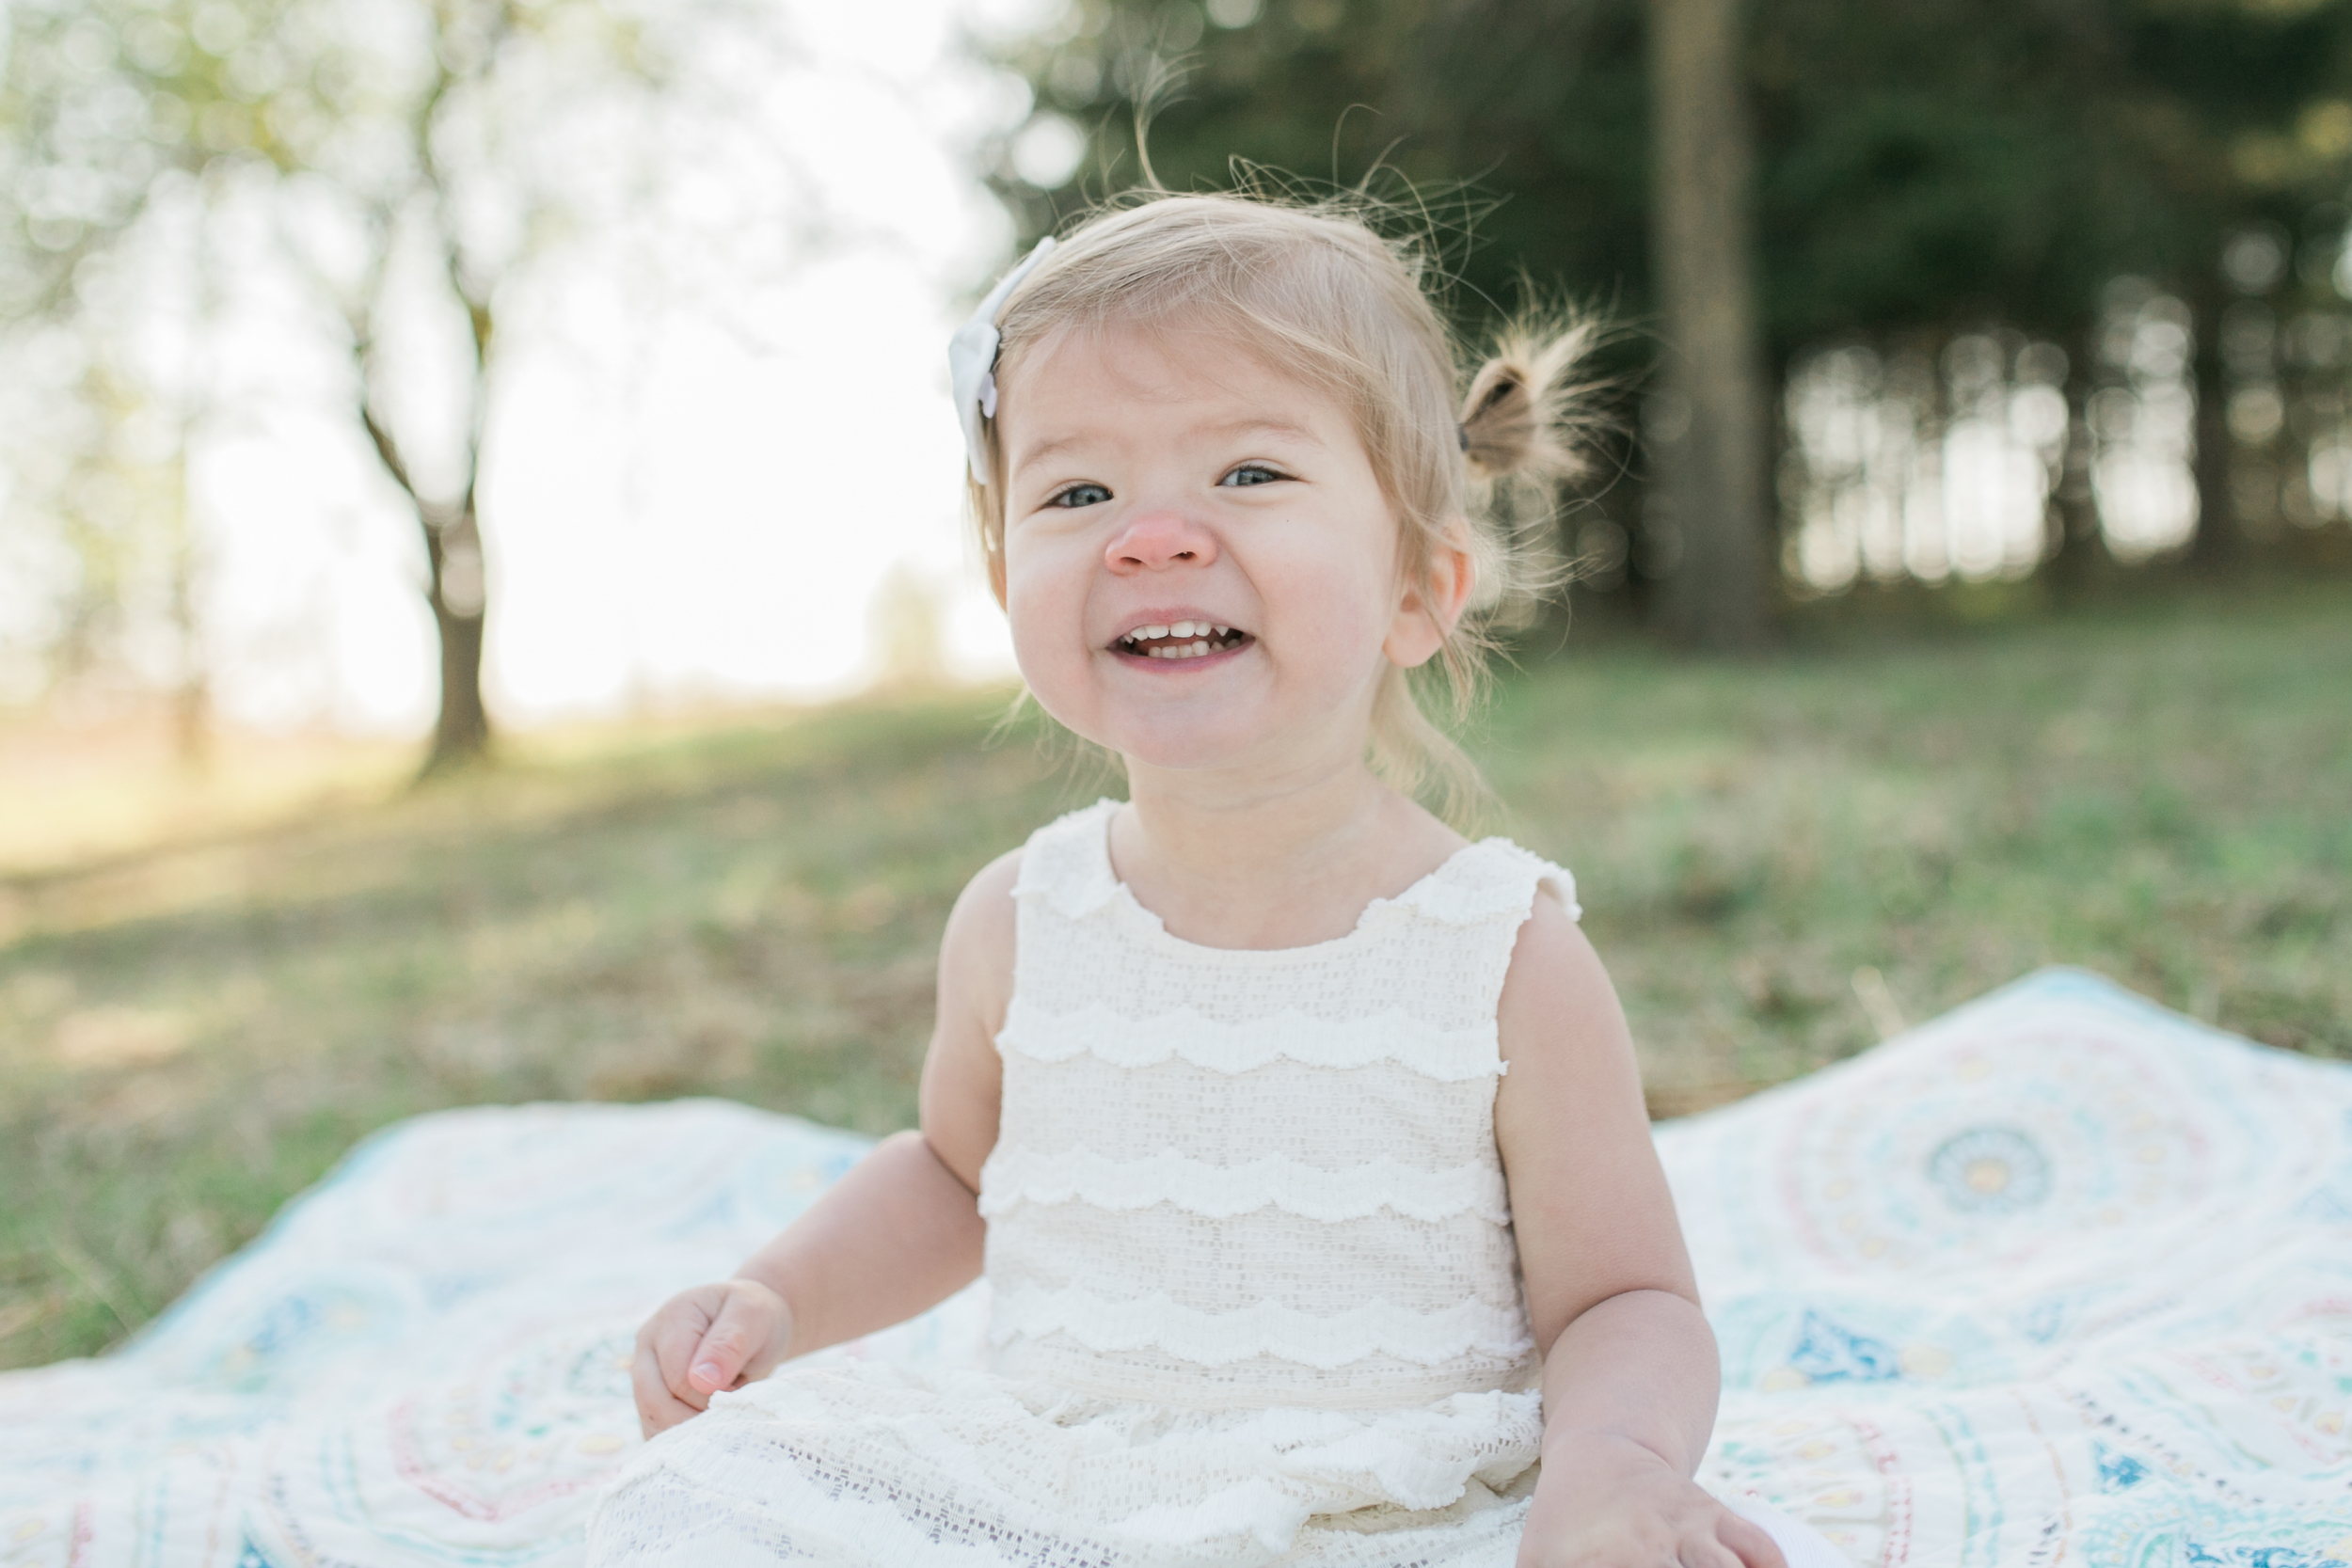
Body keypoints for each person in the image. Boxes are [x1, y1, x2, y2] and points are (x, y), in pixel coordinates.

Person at [587, 193, 1842, 1568]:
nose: (1153, 536)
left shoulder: (1499, 955)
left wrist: (1607, 1470)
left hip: (1392, 1506)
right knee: (710, 1492)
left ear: (1421, 587)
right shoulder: (1021, 920)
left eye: (1247, 473)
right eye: (1079, 493)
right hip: (1056, 1496)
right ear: (1009, 577)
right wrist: (774, 1300)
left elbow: (1628, 1301)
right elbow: (955, 1175)